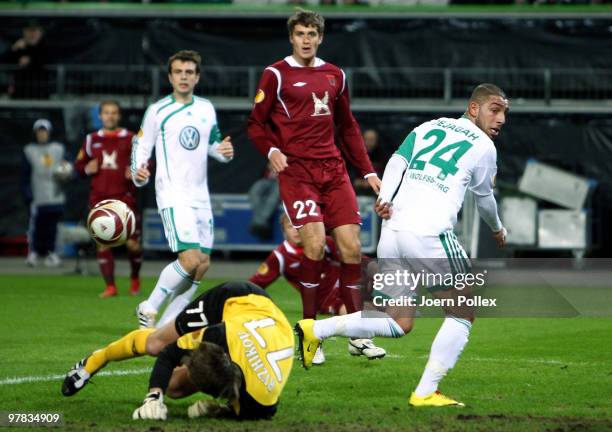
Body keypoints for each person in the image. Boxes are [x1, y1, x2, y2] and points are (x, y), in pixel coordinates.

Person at [295, 83, 509, 407]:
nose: (502, 118)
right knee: (463, 310)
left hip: (392, 232)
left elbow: (395, 162)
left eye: (505, 111)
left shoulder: (427, 127)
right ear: (474, 108)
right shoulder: (483, 146)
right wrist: (498, 229)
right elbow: (484, 199)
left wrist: (385, 198)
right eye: (496, 109)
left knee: (399, 321)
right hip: (428, 234)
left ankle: (315, 330)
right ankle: (425, 392)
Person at [247, 9, 381, 326]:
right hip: (298, 172)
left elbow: (348, 128)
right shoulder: (275, 74)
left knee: (351, 249)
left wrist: (368, 171)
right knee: (316, 246)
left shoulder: (336, 75)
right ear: (291, 37)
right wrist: (272, 150)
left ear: (320, 38)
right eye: (300, 34)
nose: (306, 40)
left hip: (333, 170)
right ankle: (310, 330)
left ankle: (356, 331)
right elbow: (255, 124)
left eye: (311, 34)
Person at [61, 281, 294, 421]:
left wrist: (219, 410)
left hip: (259, 326)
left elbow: (255, 414)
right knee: (155, 344)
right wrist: (153, 397)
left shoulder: (259, 401)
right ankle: (96, 359)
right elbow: (168, 354)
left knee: (174, 388)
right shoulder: (217, 336)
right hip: (235, 299)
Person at [131, 50, 234, 328]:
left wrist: (224, 151)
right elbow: (140, 145)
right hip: (173, 193)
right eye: (179, 72)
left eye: (189, 72)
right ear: (170, 76)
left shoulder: (206, 108)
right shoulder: (158, 111)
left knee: (202, 264)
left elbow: (214, 144)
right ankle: (149, 307)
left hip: (200, 196)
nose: (184, 77)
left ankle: (166, 325)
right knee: (189, 259)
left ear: (197, 77)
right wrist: (138, 172)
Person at [249, 214, 386, 364]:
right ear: (283, 231)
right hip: (326, 299)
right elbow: (256, 283)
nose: (296, 230)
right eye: (290, 227)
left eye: (299, 226)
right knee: (358, 310)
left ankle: (358, 340)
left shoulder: (325, 243)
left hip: (346, 289)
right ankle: (352, 339)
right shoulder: (281, 255)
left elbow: (351, 258)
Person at [74, 100, 143, 297]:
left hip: (125, 199)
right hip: (100, 199)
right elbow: (78, 167)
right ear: (100, 116)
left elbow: (147, 163)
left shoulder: (130, 138)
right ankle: (110, 286)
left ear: (119, 115)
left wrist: (136, 171)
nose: (110, 116)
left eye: (113, 113)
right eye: (106, 112)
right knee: (102, 241)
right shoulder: (91, 139)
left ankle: (135, 279)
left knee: (133, 244)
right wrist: (87, 168)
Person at [22, 119, 70, 267]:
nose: (42, 134)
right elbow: (24, 175)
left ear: (49, 133)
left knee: (54, 227)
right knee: (36, 227)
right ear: (35, 133)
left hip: (56, 196)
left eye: (44, 131)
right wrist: (28, 194)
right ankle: (34, 253)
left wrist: (66, 173)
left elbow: (68, 167)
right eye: (39, 131)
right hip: (38, 197)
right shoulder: (29, 151)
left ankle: (53, 254)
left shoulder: (58, 149)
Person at [1, 21, 49, 99]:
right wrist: (13, 48)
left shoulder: (45, 47)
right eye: (29, 31)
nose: (31, 34)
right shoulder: (19, 47)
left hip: (39, 90)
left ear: (40, 33)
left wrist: (30, 60)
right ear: (24, 32)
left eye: (34, 31)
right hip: (20, 90)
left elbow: (47, 59)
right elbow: (3, 61)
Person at [248, 162, 279, 240]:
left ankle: (258, 222)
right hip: (267, 180)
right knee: (255, 190)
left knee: (274, 196)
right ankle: (262, 222)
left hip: (280, 182)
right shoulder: (272, 154)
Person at [352, 128, 386, 196]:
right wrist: (358, 182)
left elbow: (386, 177)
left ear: (377, 141)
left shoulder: (382, 156)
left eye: (372, 140)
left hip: (376, 194)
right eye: (366, 139)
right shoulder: (354, 155)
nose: (369, 142)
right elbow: (350, 174)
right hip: (356, 193)